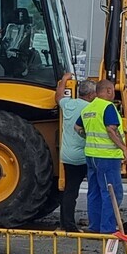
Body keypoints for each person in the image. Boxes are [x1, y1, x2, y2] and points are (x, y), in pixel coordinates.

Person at [75, 79, 127, 234]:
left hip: (91, 156)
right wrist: (124, 149)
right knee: (112, 192)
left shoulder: (88, 108)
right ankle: (108, 229)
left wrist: (89, 138)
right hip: (107, 157)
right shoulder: (108, 107)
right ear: (109, 91)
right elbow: (111, 130)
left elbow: (77, 127)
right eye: (112, 91)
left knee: (95, 191)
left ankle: (95, 226)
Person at [55, 73, 95, 232]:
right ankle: (73, 225)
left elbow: (58, 97)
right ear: (91, 94)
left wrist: (64, 81)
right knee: (85, 190)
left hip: (66, 155)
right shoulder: (91, 108)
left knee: (69, 190)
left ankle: (65, 222)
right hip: (82, 157)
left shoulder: (69, 104)